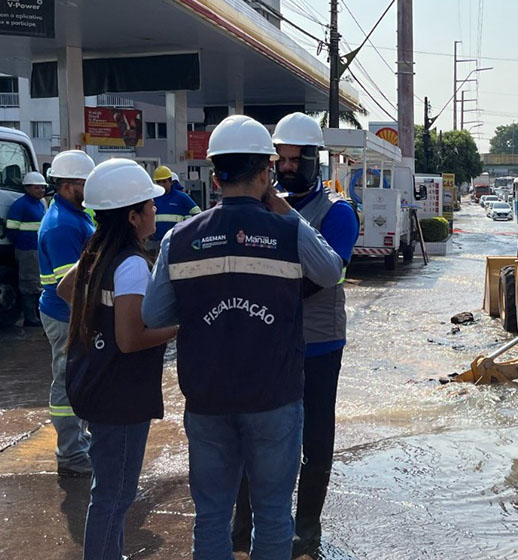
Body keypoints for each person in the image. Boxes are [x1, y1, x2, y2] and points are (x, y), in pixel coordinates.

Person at [141, 114, 343, 559]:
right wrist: (286, 212)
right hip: (275, 397)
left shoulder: (178, 238)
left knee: (212, 517)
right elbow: (331, 272)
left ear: (215, 176)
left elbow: (154, 314)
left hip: (208, 398)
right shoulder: (289, 231)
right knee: (273, 515)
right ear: (267, 173)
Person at [230, 112, 358, 555]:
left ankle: (307, 527)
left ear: (313, 160)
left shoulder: (338, 212)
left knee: (315, 441)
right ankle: (243, 525)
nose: (285, 168)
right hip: (268, 342)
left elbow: (325, 276)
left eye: (293, 160)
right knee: (256, 433)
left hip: (319, 343)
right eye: (279, 160)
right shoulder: (261, 207)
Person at [57, 159, 177, 560]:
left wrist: (98, 318)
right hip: (120, 398)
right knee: (114, 495)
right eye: (150, 205)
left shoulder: (95, 253)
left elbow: (63, 289)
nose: (155, 211)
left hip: (95, 385)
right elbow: (131, 340)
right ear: (132, 215)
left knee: (106, 491)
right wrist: (182, 328)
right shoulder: (130, 265)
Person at [38, 149, 96, 477]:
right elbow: (69, 287)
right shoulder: (62, 225)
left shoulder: (75, 215)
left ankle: (78, 441)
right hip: (65, 316)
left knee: (76, 379)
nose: (89, 187)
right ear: (67, 186)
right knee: (66, 383)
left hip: (67, 314)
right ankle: (71, 453)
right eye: (84, 182)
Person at [4, 170, 48, 327]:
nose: (41, 191)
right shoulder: (20, 205)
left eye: (43, 188)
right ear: (27, 188)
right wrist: (22, 243)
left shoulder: (40, 204)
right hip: (27, 249)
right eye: (37, 188)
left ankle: (36, 315)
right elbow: (11, 228)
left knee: (37, 282)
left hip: (37, 248)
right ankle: (31, 318)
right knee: (29, 283)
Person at [147, 165, 200, 254]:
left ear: (171, 182)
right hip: (154, 242)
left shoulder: (182, 197)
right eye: (158, 182)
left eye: (164, 181)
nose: (161, 185)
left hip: (175, 241)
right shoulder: (151, 198)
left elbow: (198, 215)